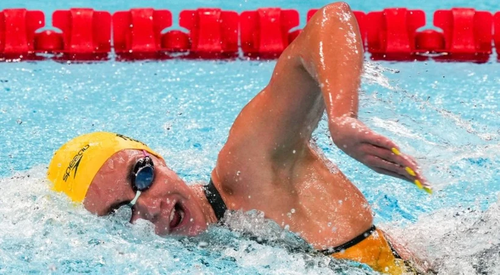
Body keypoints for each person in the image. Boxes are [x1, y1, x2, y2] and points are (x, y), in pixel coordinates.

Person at [47, 2, 431, 274]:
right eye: (121, 212)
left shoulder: (251, 166)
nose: (149, 205)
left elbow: (332, 20)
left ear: (157, 158)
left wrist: (342, 117)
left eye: (142, 176)